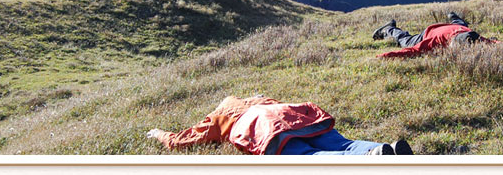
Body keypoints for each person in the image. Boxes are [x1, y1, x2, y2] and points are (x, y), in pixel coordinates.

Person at [147, 95, 413, 155]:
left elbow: (181, 139)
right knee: (341, 143)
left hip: (262, 126)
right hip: (291, 113)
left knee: (308, 155)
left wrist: (158, 133)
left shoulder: (217, 118)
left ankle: (371, 161)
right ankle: (380, 150)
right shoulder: (257, 98)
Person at [372, 12, 498, 58]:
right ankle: (389, 28)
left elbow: (497, 44)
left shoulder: (475, 38)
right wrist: (382, 56)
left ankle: (455, 19)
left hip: (459, 28)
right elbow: (412, 51)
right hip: (430, 32)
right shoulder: (436, 41)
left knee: (462, 25)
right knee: (405, 40)